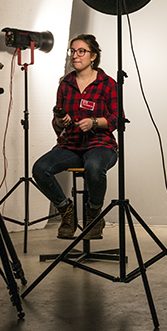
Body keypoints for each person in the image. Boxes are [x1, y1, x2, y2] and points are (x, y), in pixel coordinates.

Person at [32, 34, 118, 240]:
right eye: (72, 51)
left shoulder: (107, 83)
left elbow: (116, 118)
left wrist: (94, 122)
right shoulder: (65, 83)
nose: (75, 55)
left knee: (94, 167)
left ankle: (94, 213)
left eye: (81, 51)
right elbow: (56, 124)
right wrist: (60, 122)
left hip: (100, 145)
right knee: (40, 169)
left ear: (93, 56)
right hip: (70, 145)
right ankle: (66, 211)